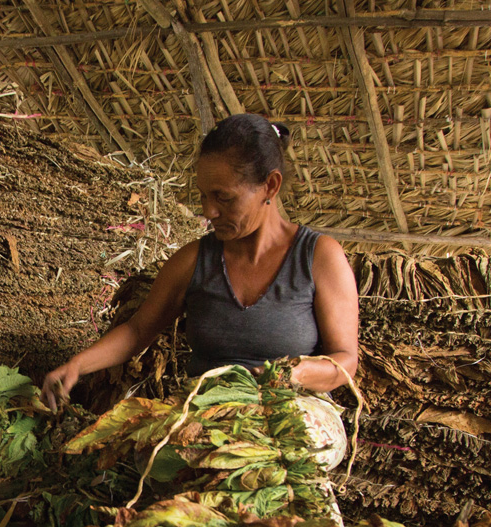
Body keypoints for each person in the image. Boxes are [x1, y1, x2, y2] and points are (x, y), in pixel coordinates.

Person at [41, 113, 358, 410]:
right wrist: (77, 365)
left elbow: (345, 360)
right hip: (205, 417)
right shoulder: (193, 261)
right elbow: (138, 331)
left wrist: (290, 373)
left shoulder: (318, 257)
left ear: (270, 186)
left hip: (290, 418)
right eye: (203, 196)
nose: (209, 212)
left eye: (223, 197)